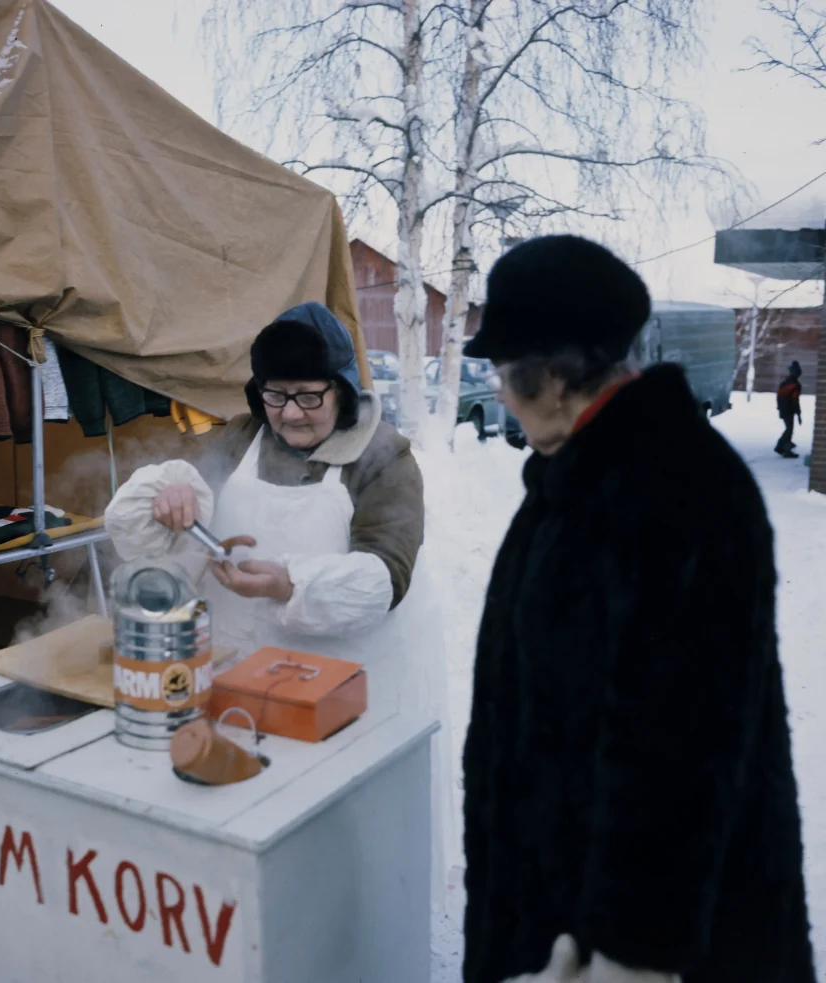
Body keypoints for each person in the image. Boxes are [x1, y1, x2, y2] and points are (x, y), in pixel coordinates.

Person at [460, 236, 814, 983]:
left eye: (502, 369)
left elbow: (683, 741)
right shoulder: (580, 472)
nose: (496, 390)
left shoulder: (676, 488)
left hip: (638, 939)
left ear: (553, 376)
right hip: (563, 895)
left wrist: (629, 954)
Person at [105, 300, 457, 907]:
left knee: (347, 853)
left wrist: (287, 583)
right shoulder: (243, 436)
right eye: (275, 395)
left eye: (308, 396)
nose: (290, 414)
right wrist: (168, 499)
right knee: (257, 841)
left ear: (342, 389)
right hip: (245, 673)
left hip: (351, 681)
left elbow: (386, 574)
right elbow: (175, 511)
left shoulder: (384, 457)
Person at [775, 360, 803, 458]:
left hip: (783, 409)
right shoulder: (795, 385)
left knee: (788, 429)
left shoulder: (785, 383)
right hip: (789, 410)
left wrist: (779, 407)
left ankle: (783, 446)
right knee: (789, 430)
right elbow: (795, 400)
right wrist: (799, 413)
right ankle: (784, 448)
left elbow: (778, 396)